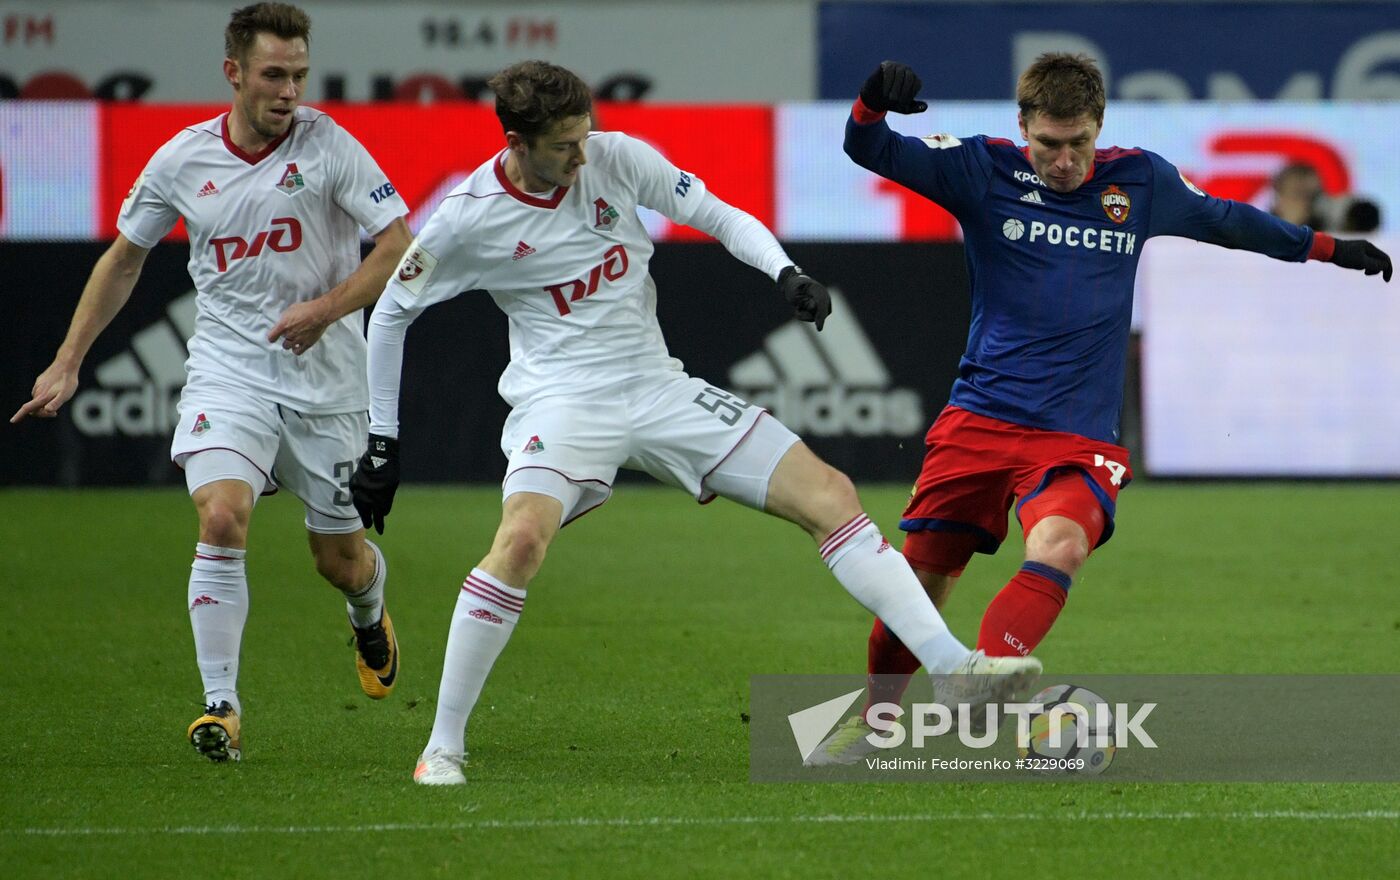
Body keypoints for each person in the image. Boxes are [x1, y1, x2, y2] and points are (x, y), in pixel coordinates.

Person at [347, 59, 1043, 786]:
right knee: (520, 541)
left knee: (832, 493)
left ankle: (952, 667)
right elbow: (391, 313)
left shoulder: (615, 157)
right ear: (518, 141)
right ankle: (444, 747)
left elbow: (716, 213)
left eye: (586, 136)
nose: (583, 154)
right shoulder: (468, 216)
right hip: (562, 403)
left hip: (658, 388)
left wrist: (784, 272)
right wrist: (383, 441)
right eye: (564, 146)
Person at [808, 54, 1393, 764]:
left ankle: (980, 682)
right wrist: (871, 103)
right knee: (919, 585)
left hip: (1075, 435)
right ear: (1022, 127)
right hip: (981, 419)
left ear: (1099, 129)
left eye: (1078, 142)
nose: (1062, 160)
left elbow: (1230, 220)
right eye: (1048, 143)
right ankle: (874, 723)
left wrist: (1328, 248)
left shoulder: (1139, 181)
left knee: (1061, 546)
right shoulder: (979, 170)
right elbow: (866, 147)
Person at [11, 2, 413, 763]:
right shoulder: (181, 160)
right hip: (229, 375)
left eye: (299, 74)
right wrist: (68, 359)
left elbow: (398, 245)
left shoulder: (331, 147)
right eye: (273, 74)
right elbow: (124, 259)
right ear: (233, 73)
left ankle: (369, 611)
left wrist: (326, 310)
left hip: (327, 386)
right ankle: (221, 707)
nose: (290, 90)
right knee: (222, 517)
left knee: (340, 562)